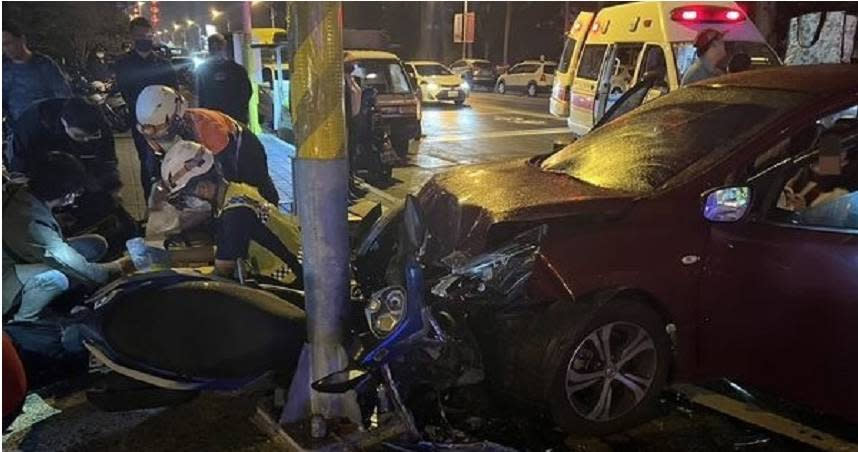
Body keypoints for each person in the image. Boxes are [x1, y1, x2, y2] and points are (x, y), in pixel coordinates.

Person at [2, 152, 132, 323]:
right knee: (57, 278)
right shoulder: (32, 225)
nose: (75, 198)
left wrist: (55, 222)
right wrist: (119, 267)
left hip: (19, 257)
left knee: (95, 245)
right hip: (6, 275)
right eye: (75, 192)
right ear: (66, 193)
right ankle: (22, 322)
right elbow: (69, 263)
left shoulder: (21, 188)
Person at [160, 140, 302, 286]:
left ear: (203, 188)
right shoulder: (235, 192)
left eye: (186, 198)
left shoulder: (235, 214)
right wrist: (168, 257)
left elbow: (222, 272)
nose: (187, 205)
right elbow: (224, 249)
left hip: (290, 282)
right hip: (300, 266)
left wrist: (182, 279)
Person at [136, 85, 279, 205]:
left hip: (243, 148)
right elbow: (158, 171)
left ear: (176, 119)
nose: (158, 139)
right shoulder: (154, 130)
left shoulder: (209, 129)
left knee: (255, 191)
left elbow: (225, 178)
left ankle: (273, 218)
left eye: (162, 132)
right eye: (153, 133)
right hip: (214, 148)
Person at [114, 17, 178, 198]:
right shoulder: (124, 64)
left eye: (148, 35)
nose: (145, 39)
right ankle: (151, 205)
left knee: (171, 161)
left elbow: (174, 92)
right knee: (148, 164)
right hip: (142, 123)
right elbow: (126, 92)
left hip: (167, 124)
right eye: (140, 35)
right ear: (132, 37)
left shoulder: (163, 63)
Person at [11, 97, 119, 195]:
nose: (85, 140)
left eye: (91, 136)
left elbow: (107, 158)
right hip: (41, 157)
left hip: (73, 158)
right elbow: (21, 162)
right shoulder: (31, 126)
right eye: (79, 135)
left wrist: (111, 187)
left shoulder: (99, 123)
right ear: (64, 122)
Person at [2, 22, 72, 123]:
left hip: (45, 128)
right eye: (2, 45)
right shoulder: (4, 69)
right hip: (17, 131)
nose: (5, 49)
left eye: (8, 43)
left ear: (22, 40)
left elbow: (63, 95)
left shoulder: (44, 64)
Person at [195, 33, 252, 125]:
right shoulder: (237, 69)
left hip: (214, 120)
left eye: (218, 47)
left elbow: (198, 96)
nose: (216, 50)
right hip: (232, 119)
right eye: (214, 48)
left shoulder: (201, 70)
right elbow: (246, 93)